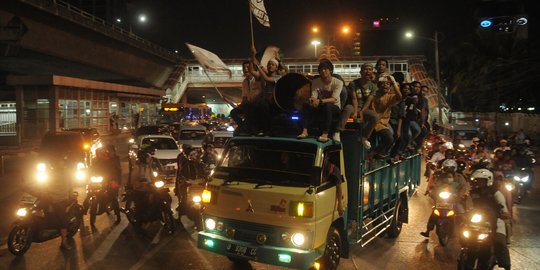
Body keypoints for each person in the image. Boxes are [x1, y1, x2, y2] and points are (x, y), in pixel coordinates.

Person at [469, 169, 511, 270]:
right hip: (477, 221)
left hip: (495, 221)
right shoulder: (473, 192)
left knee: (499, 242)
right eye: (477, 180)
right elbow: (468, 204)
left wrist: (504, 213)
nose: (479, 182)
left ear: (488, 180)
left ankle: (506, 265)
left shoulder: (496, 193)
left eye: (481, 180)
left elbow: (503, 207)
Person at [421, 159, 470, 237]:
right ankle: (428, 230)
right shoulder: (440, 177)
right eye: (447, 168)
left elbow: (464, 187)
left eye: (451, 168)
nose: (449, 170)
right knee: (434, 213)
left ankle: (463, 230)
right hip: (442, 200)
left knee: (462, 213)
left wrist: (460, 195)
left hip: (455, 200)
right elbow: (435, 186)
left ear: (455, 168)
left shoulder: (459, 177)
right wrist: (432, 193)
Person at [297, 59, 342, 142]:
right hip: (320, 105)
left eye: (325, 69)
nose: (323, 71)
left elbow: (334, 99)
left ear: (331, 70)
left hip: (334, 107)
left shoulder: (338, 82)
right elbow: (314, 95)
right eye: (321, 69)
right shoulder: (316, 81)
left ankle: (325, 133)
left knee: (327, 106)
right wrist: (312, 100)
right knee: (305, 105)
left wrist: (320, 101)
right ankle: (305, 131)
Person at [363, 75, 402, 159]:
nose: (385, 85)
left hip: (382, 123)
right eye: (383, 84)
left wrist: (393, 82)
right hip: (370, 122)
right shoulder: (373, 94)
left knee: (389, 139)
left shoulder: (390, 96)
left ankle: (374, 153)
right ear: (379, 85)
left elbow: (399, 97)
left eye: (388, 84)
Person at [40, 156, 74, 250]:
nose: (61, 163)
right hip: (50, 198)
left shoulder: (66, 172)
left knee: (63, 222)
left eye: (62, 161)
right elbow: (43, 183)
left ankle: (63, 242)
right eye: (59, 161)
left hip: (61, 199)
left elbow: (69, 185)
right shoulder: (50, 172)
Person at [346, 63, 379, 149]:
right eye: (365, 69)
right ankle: (338, 132)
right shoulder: (353, 83)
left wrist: (361, 112)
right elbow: (354, 99)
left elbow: (368, 101)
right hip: (354, 107)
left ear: (372, 72)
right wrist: (356, 112)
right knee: (349, 110)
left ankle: (364, 138)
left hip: (364, 109)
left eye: (370, 70)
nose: (368, 71)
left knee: (375, 117)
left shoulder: (373, 86)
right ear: (361, 72)